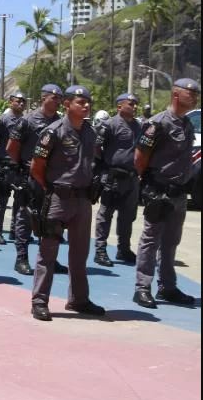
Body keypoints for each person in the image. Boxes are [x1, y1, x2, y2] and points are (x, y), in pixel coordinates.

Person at [29, 86, 106, 322]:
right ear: (67, 105)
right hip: (58, 199)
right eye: (81, 102)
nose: (86, 106)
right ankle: (40, 301)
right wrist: (52, 189)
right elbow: (36, 168)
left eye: (88, 102)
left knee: (80, 253)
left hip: (83, 200)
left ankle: (78, 299)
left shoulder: (90, 133)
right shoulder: (53, 132)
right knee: (48, 251)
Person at [132, 78, 200, 309]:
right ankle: (142, 287)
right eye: (190, 94)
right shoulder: (157, 123)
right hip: (159, 192)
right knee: (150, 241)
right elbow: (139, 159)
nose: (195, 98)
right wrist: (150, 184)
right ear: (176, 95)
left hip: (179, 195)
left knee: (171, 243)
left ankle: (167, 287)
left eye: (196, 94)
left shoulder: (187, 124)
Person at [7, 84, 63, 276]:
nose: (57, 101)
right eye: (53, 98)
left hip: (51, 177)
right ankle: (21, 258)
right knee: (26, 217)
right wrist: (24, 165)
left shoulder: (61, 122)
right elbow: (11, 147)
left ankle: (49, 259)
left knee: (51, 218)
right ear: (43, 98)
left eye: (59, 98)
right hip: (29, 177)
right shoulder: (27, 121)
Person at [93, 93, 142, 268]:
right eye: (131, 104)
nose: (135, 107)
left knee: (128, 216)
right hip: (112, 177)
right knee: (105, 215)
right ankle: (100, 250)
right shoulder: (109, 125)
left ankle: (124, 249)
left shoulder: (139, 126)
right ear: (119, 106)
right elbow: (96, 148)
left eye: (136, 104)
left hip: (131, 178)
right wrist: (106, 166)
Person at [0, 92, 25, 245]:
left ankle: (14, 230)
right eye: (18, 101)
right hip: (4, 166)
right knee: (2, 201)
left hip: (19, 166)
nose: (21, 104)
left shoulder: (26, 120)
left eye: (23, 102)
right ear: (10, 102)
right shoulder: (3, 120)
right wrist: (1, 154)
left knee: (20, 200)